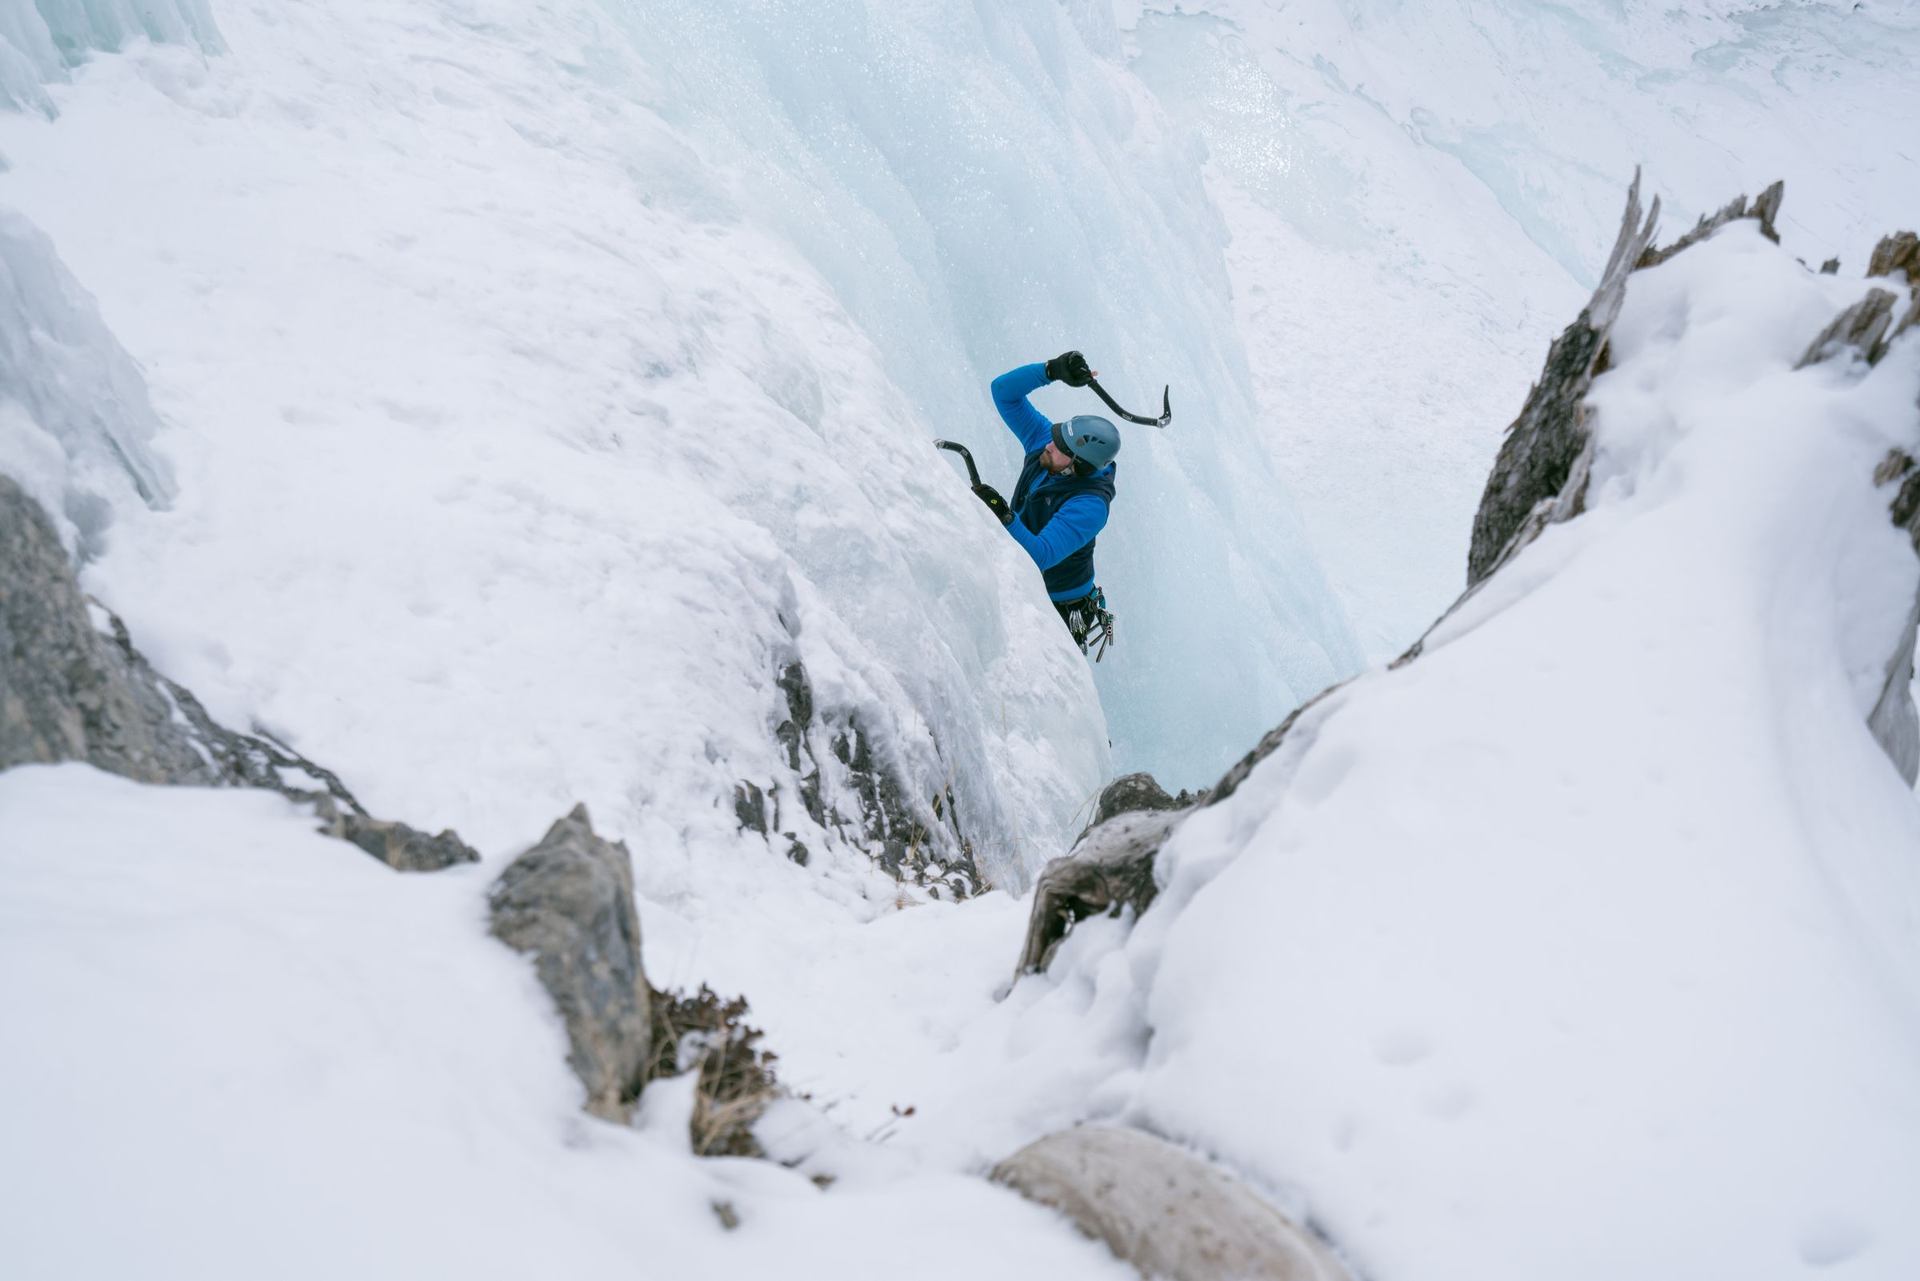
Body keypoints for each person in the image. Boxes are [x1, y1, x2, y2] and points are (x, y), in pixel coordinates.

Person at [969, 350, 1121, 655]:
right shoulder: (1046, 443)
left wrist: (1003, 516)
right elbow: (1003, 392)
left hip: (1058, 608)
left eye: (1060, 446)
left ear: (1078, 464)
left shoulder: (1090, 505)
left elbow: (1040, 555)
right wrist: (1052, 370)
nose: (1049, 444)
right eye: (1055, 436)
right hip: (1026, 576)